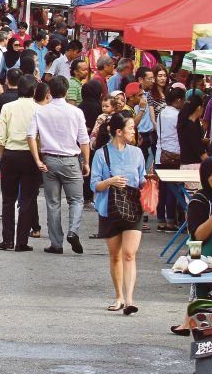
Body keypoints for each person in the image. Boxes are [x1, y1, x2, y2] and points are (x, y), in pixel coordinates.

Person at [90, 114, 147, 316]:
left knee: (129, 254)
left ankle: (130, 299)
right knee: (115, 256)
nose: (134, 131)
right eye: (130, 128)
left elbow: (141, 180)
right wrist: (110, 181)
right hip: (109, 209)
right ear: (119, 131)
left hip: (133, 207)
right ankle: (119, 296)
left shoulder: (138, 153)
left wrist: (148, 184)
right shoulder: (101, 154)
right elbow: (94, 185)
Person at [27, 75, 90, 255]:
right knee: (76, 200)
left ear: (49, 92)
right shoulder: (76, 112)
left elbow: (31, 135)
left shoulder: (41, 111)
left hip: (49, 161)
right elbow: (84, 140)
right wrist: (86, 162)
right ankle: (73, 231)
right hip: (71, 160)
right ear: (66, 90)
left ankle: (56, 243)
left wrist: (38, 160)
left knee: (53, 203)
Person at [0, 75, 42, 251]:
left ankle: (7, 239)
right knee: (27, 199)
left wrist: (3, 157)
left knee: (8, 200)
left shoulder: (7, 107)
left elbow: (2, 136)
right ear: (33, 90)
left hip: (10, 154)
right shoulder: (39, 109)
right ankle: (21, 241)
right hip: (30, 156)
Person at [156, 88, 185, 232]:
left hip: (160, 155)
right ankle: (170, 222)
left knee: (162, 189)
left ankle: (161, 220)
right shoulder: (177, 115)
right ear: (178, 100)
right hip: (173, 155)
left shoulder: (161, 113)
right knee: (172, 189)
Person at [177, 95, 207, 168]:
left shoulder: (185, 123)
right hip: (193, 166)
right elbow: (199, 151)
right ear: (199, 108)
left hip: (186, 163)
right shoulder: (190, 127)